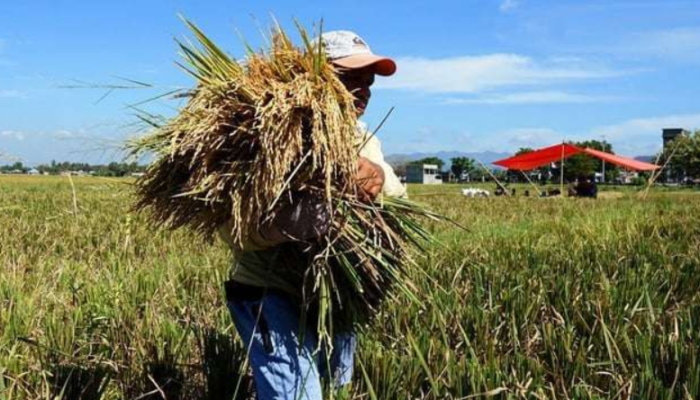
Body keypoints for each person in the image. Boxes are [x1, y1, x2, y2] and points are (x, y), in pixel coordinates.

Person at [218, 31, 406, 400]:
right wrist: (290, 223)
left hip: (337, 290)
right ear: (312, 77)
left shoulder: (362, 136)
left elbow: (398, 197)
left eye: (368, 82)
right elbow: (231, 227)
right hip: (270, 289)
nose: (364, 90)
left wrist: (377, 177)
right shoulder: (262, 131)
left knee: (336, 387)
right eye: (350, 77)